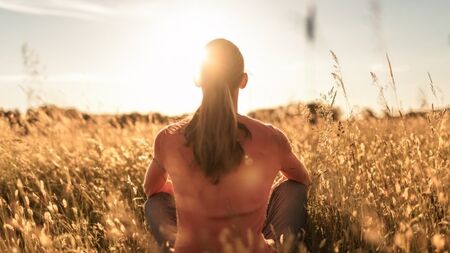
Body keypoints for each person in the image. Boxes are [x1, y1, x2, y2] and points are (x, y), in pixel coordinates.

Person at [142, 38, 311, 253]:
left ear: (198, 79)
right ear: (243, 81)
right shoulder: (271, 137)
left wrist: (180, 190)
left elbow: (150, 189)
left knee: (154, 202)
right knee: (294, 188)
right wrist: (258, 193)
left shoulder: (168, 137)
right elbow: (302, 179)